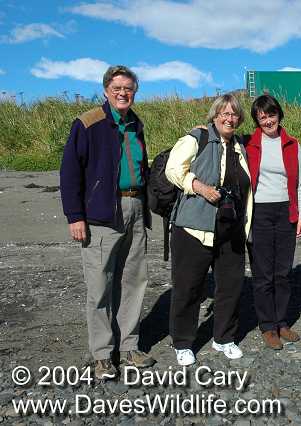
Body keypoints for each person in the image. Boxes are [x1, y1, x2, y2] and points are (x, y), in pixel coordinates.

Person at [60, 65, 155, 380]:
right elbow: (70, 173)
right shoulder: (88, 123)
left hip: (136, 208)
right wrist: (75, 216)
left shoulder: (135, 123)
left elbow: (142, 166)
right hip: (101, 212)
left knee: (134, 280)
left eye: (128, 88)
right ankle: (102, 354)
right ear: (105, 90)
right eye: (117, 88)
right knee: (99, 286)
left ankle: (129, 347)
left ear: (134, 91)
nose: (123, 93)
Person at [165, 94, 252, 364]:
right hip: (193, 227)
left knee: (230, 285)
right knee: (189, 287)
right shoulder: (196, 138)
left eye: (234, 114)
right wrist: (199, 187)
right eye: (224, 113)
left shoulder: (239, 145)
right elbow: (172, 169)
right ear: (214, 116)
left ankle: (223, 337)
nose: (229, 118)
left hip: (231, 227)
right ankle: (182, 342)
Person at [245, 95, 301, 350]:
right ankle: (267, 326)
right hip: (258, 212)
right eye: (262, 117)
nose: (268, 120)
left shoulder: (293, 144)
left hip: (285, 212)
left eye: (271, 115)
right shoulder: (248, 144)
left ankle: (282, 322)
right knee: (263, 274)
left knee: (282, 273)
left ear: (279, 115)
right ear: (257, 120)